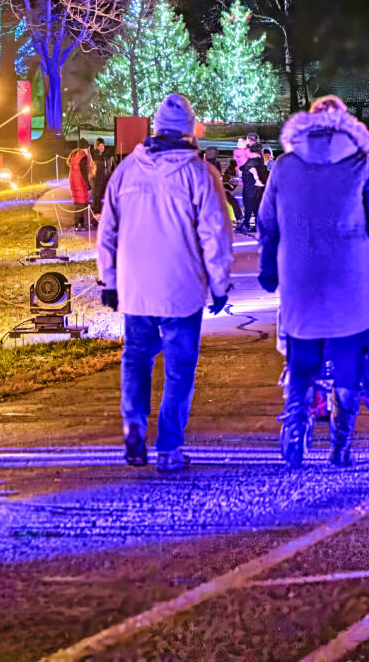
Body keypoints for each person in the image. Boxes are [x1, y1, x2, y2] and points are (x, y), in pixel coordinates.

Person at [96, 93, 234, 473]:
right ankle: (169, 448)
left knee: (137, 357)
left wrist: (109, 279)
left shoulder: (127, 170)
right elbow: (215, 234)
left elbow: (107, 229)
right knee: (179, 369)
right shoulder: (199, 174)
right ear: (190, 131)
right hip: (181, 289)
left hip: (135, 287)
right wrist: (219, 285)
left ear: (156, 128)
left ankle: (134, 426)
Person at [258, 95, 369, 469]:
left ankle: (296, 429)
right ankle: (340, 446)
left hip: (300, 275)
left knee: (303, 359)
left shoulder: (283, 168)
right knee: (349, 363)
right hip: (353, 277)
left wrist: (269, 269)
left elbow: (267, 225)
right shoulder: (360, 166)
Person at [235, 134, 269, 232]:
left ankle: (246, 224)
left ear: (249, 139)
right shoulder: (259, 150)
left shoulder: (252, 150)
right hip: (257, 180)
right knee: (255, 204)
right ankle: (258, 225)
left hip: (250, 181)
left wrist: (242, 167)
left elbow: (250, 164)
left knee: (248, 203)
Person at [66, 139, 93, 229]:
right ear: (86, 147)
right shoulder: (83, 156)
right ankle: (79, 224)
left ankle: (78, 224)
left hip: (73, 180)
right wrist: (88, 183)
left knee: (77, 203)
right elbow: (83, 171)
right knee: (82, 203)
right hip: (80, 181)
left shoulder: (74, 154)